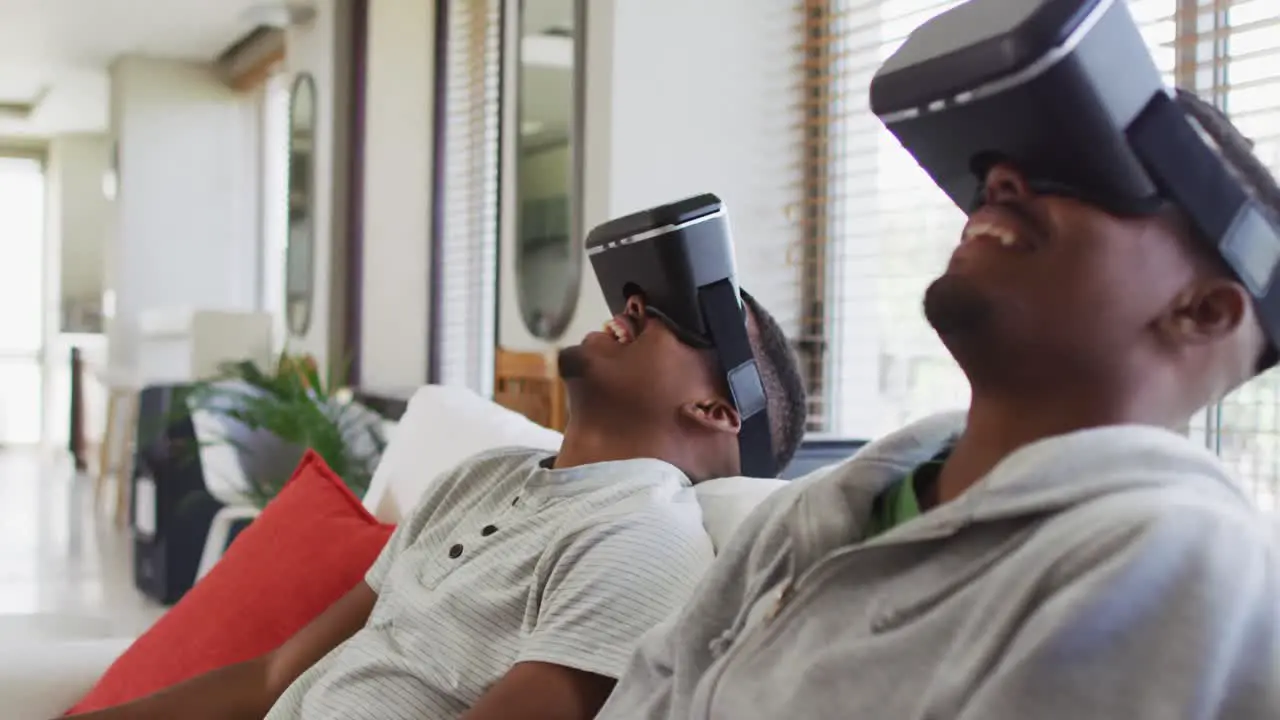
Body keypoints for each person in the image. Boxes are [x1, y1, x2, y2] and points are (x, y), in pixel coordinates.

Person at [597, 90, 1280, 720]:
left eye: (1093, 170)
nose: (1001, 179)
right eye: (1010, 169)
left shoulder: (1179, 559)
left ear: (1203, 311)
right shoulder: (807, 517)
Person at [70, 290, 806, 720]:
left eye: (687, 312)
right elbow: (272, 676)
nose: (634, 300)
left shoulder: (640, 536)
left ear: (718, 407)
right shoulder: (482, 475)